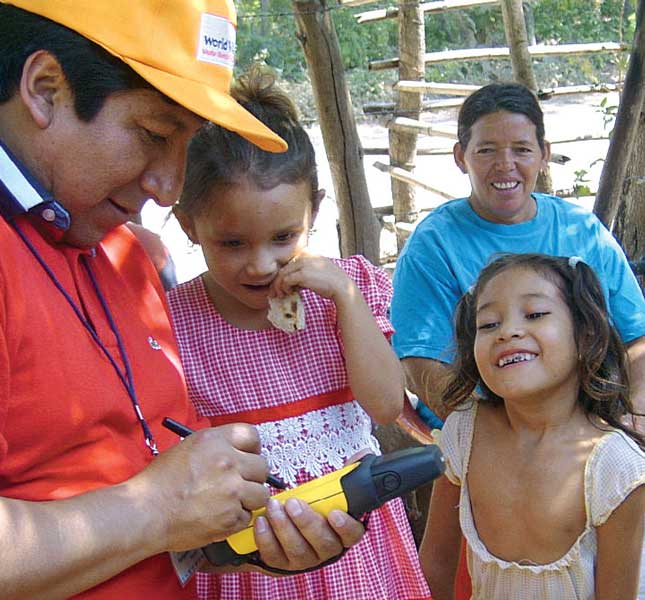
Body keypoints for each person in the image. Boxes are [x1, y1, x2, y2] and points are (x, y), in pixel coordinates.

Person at [0, 2, 366, 599]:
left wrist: (246, 539)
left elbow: (160, 511)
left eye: (187, 146)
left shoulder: (122, 259)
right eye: (154, 134)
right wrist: (159, 509)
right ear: (44, 89)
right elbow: (158, 509)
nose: (169, 186)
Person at [167, 66, 432, 600]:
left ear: (315, 209)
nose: (261, 264)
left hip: (357, 544)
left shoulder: (346, 290)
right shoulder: (173, 322)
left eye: (284, 237)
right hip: (251, 560)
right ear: (189, 224)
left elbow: (383, 406)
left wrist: (347, 303)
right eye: (233, 243)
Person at [390, 83, 645, 424]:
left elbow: (637, 340)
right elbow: (422, 364)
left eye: (522, 149)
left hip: (591, 420)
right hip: (484, 429)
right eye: (486, 151)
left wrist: (629, 419)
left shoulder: (581, 230)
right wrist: (506, 437)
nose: (505, 165)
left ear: (544, 154)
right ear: (460, 157)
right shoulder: (435, 244)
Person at [421, 252, 645, 599]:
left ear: (585, 335)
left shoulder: (616, 467)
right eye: (489, 324)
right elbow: (435, 563)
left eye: (536, 314)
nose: (508, 332)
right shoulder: (463, 434)